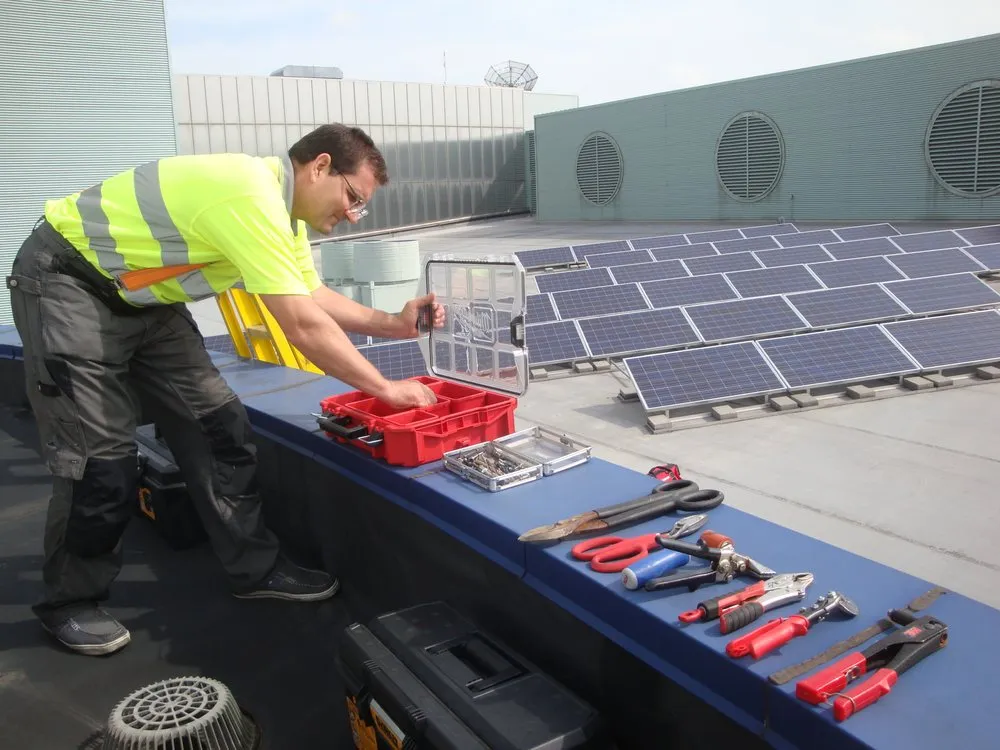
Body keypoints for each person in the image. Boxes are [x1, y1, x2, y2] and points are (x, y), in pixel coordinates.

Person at [4, 123, 444, 657]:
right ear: (319, 166)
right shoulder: (248, 196)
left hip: (144, 301)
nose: (353, 214)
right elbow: (301, 325)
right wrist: (384, 389)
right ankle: (70, 602)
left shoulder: (286, 218)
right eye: (353, 198)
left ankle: (255, 569)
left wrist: (394, 324)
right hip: (68, 283)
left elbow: (312, 292)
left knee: (218, 427)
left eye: (361, 207)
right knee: (99, 461)